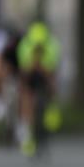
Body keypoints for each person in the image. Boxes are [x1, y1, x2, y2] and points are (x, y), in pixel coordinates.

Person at [16, 21, 61, 155]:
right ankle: (27, 132)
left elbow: (52, 72)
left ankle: (51, 110)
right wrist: (33, 64)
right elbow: (24, 73)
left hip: (45, 73)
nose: (38, 50)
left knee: (51, 86)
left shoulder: (53, 47)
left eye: (40, 48)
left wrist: (43, 69)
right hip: (29, 75)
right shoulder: (24, 47)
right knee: (26, 96)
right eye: (36, 47)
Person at [0, 23, 22, 124]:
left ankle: (22, 122)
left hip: (19, 62)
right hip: (6, 62)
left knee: (24, 89)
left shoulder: (20, 42)